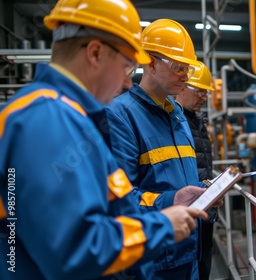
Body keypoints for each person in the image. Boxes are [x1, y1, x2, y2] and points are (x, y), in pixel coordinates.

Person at [0, 1, 208, 279]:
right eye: (125, 66)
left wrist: (168, 202)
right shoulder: (47, 120)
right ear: (95, 53)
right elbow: (74, 250)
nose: (126, 83)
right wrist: (162, 226)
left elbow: (109, 205)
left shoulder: (64, 115)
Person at [106, 19, 208, 279]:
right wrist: (171, 200)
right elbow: (119, 201)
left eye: (187, 68)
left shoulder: (177, 115)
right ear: (151, 62)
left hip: (189, 251)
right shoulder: (120, 116)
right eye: (178, 67)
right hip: (153, 262)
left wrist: (203, 193)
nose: (185, 75)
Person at [175, 61, 216, 280]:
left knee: (204, 267)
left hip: (205, 209)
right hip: (188, 211)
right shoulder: (175, 121)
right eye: (199, 90)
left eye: (206, 92)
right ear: (182, 86)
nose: (203, 96)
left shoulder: (198, 122)